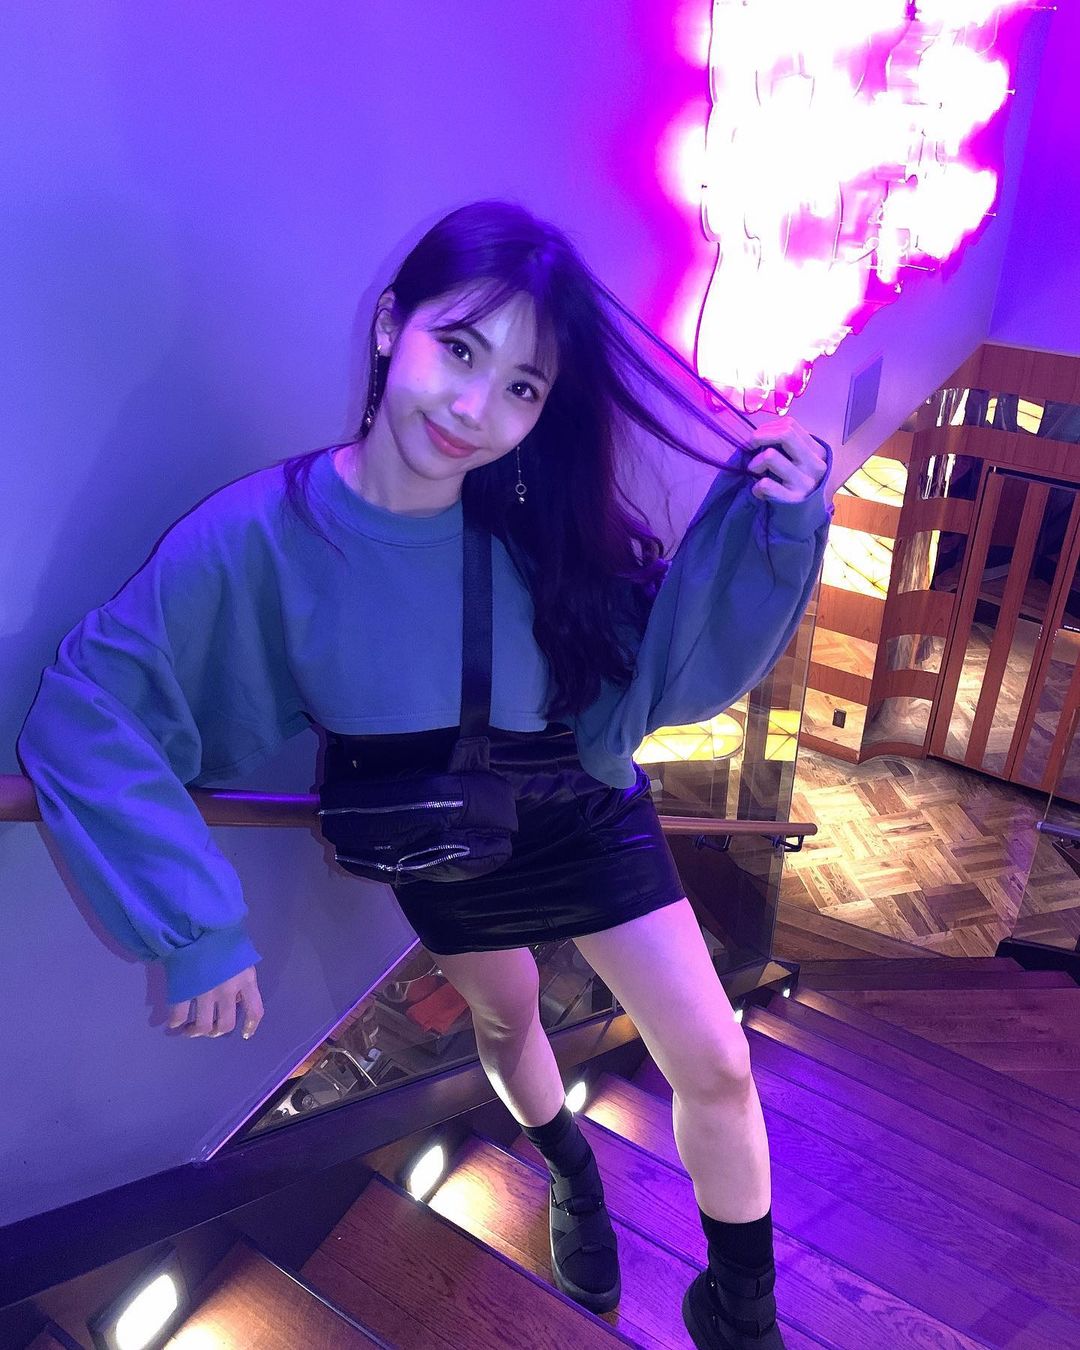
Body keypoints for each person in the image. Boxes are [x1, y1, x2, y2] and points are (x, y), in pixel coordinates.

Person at [18, 199, 833, 1348]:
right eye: (458, 349)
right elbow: (89, 705)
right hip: (443, 838)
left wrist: (776, 533)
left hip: (585, 810)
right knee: (507, 1022)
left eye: (521, 386)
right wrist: (193, 922)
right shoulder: (266, 535)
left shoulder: (535, 521)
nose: (474, 408)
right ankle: (573, 1171)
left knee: (719, 1062)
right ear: (389, 324)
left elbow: (669, 670)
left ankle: (743, 1314)